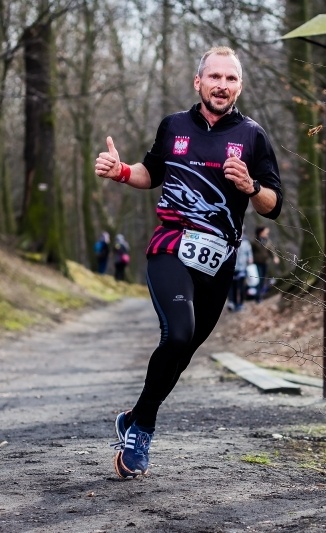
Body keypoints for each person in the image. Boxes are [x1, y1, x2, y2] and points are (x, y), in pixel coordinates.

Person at [94, 46, 283, 479]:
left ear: (239, 86)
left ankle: (135, 416)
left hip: (219, 261)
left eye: (230, 79)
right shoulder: (174, 126)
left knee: (183, 351)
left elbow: (274, 206)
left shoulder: (253, 136)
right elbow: (150, 172)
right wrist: (121, 170)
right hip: (171, 247)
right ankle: (143, 430)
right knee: (176, 334)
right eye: (214, 77)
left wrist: (251, 186)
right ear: (198, 82)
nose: (222, 85)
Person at [251, 225, 279, 302]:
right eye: (265, 232)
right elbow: (251, 251)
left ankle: (260, 295)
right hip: (256, 263)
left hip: (265, 262)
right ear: (260, 232)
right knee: (258, 279)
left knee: (263, 279)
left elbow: (272, 250)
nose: (267, 233)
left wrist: (275, 257)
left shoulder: (268, 241)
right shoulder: (254, 242)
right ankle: (257, 296)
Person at [229, 234, 252, 311]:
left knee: (241, 286)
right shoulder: (230, 238)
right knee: (233, 286)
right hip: (232, 267)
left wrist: (250, 258)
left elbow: (249, 253)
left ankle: (241, 304)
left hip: (242, 267)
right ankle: (233, 303)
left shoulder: (246, 241)